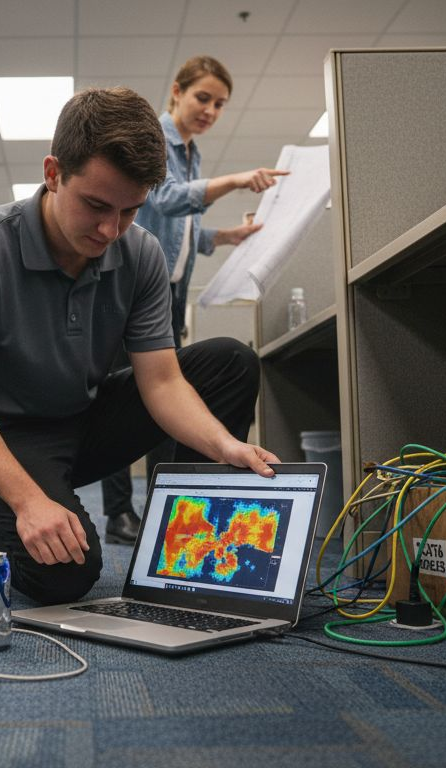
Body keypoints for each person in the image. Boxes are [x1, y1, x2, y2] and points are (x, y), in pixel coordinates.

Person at [0, 87, 279, 605]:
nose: (110, 229)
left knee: (229, 362)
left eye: (130, 210)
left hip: (79, 420)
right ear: (53, 173)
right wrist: (29, 503)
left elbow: (162, 382)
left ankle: (189, 547)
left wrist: (223, 445)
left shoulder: (140, 253)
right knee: (65, 574)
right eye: (96, 206)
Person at [100, 55, 288, 545]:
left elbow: (182, 231)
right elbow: (161, 200)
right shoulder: (156, 139)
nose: (210, 110)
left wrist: (225, 237)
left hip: (168, 294)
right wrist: (235, 180)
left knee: (168, 403)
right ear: (177, 92)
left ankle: (162, 507)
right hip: (133, 290)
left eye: (220, 104)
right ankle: (119, 514)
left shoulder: (191, 151)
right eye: (203, 98)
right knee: (123, 399)